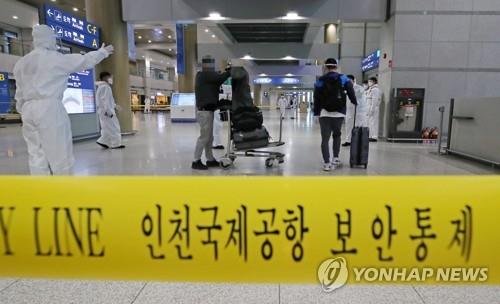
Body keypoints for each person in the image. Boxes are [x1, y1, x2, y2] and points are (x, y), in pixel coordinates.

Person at [13, 25, 113, 175]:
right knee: (59, 153)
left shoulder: (21, 63)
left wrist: (22, 109)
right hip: (49, 107)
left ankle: (42, 191)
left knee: (36, 154)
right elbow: (83, 61)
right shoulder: (54, 59)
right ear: (48, 39)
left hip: (28, 110)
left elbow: (19, 92)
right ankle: (63, 190)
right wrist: (102, 53)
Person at [313, 58, 357, 172]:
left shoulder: (320, 80)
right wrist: (354, 101)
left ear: (326, 67)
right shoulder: (343, 78)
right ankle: (335, 158)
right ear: (336, 67)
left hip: (324, 113)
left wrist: (316, 113)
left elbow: (316, 98)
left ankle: (327, 164)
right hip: (339, 112)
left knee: (325, 139)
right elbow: (351, 91)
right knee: (337, 135)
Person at [192, 55, 231, 170]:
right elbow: (219, 78)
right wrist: (229, 71)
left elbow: (217, 79)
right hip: (204, 112)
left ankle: (210, 159)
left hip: (208, 110)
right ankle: (196, 161)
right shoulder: (203, 74)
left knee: (209, 138)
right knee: (204, 137)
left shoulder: (205, 75)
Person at [95, 72, 124, 149]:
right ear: (105, 78)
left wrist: (115, 106)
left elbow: (107, 101)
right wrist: (109, 112)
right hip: (107, 112)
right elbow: (106, 101)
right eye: (110, 77)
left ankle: (103, 141)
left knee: (106, 127)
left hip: (102, 112)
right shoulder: (106, 87)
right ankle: (115, 144)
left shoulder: (101, 87)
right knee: (114, 127)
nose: (111, 79)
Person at [343, 75, 368, 147]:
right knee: (348, 126)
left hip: (358, 111)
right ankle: (348, 141)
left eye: (349, 80)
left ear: (353, 80)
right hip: (349, 110)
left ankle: (356, 141)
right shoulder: (345, 88)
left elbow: (360, 98)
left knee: (357, 126)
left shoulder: (359, 88)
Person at [366, 77, 382, 142]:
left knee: (373, 122)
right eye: (369, 81)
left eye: (370, 81)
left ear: (374, 82)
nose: (369, 82)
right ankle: (370, 135)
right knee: (370, 122)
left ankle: (374, 136)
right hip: (369, 108)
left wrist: (372, 110)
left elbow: (374, 100)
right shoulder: (371, 89)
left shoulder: (375, 89)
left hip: (373, 108)